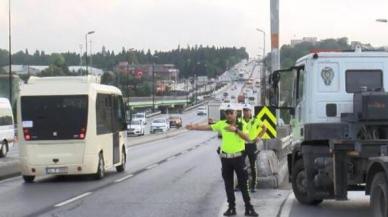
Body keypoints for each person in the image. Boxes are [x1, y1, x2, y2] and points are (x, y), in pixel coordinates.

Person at [186, 106, 259, 217]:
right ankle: (231, 208)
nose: (229, 115)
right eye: (227, 113)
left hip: (238, 158)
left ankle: (248, 208)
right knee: (228, 185)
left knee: (244, 184)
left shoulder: (241, 124)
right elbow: (208, 127)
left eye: (231, 112)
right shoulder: (222, 123)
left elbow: (247, 138)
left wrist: (236, 130)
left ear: (236, 113)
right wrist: (194, 127)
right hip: (226, 159)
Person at [239, 104, 267, 192]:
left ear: (251, 111)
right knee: (241, 166)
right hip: (242, 145)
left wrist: (259, 136)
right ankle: (242, 185)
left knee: (253, 166)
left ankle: (253, 186)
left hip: (252, 145)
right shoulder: (240, 120)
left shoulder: (255, 120)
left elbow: (264, 127)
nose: (246, 112)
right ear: (243, 112)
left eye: (248, 110)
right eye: (245, 110)